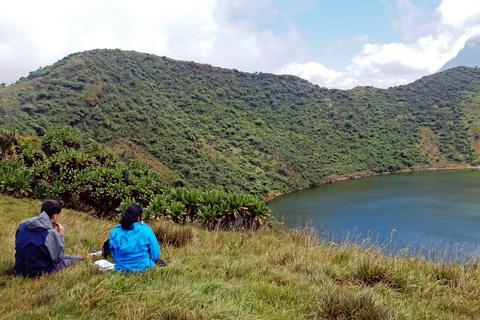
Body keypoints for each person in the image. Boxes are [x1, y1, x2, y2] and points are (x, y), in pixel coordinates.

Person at [15, 200, 83, 277]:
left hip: (20, 269)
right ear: (54, 216)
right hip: (38, 272)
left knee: (68, 258)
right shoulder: (50, 233)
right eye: (58, 215)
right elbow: (57, 259)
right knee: (76, 259)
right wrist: (60, 235)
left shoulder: (22, 225)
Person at [109, 204, 164, 272]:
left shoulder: (115, 232)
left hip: (120, 269)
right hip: (144, 268)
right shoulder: (146, 230)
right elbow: (155, 255)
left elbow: (114, 256)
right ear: (139, 218)